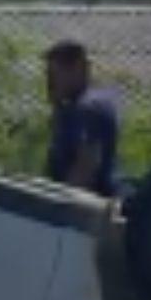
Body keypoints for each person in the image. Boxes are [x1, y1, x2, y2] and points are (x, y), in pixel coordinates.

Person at [44, 41, 121, 199]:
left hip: (89, 202)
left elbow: (86, 167)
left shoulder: (89, 108)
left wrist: (61, 203)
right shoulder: (72, 106)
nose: (50, 83)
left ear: (78, 69)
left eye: (54, 75)